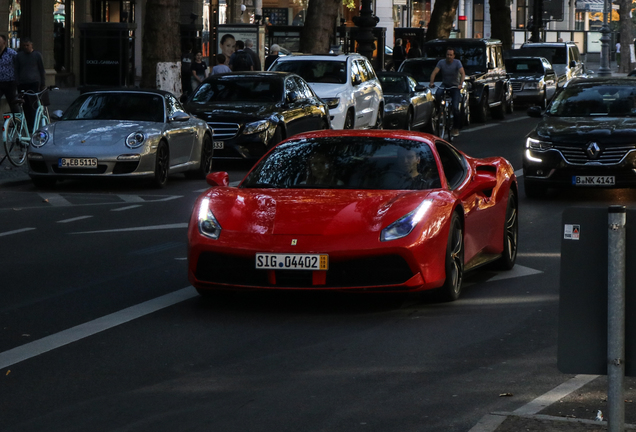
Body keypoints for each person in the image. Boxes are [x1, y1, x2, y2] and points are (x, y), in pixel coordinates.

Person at [429, 47, 465, 137]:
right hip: (445, 85)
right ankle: (438, 112)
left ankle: (456, 128)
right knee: (437, 94)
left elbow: (462, 73)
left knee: (455, 108)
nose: (448, 56)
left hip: (455, 86)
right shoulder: (441, 62)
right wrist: (431, 82)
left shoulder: (457, 63)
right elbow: (434, 72)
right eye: (447, 55)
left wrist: (460, 84)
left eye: (450, 55)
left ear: (454, 56)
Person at [15, 38, 46, 131]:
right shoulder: (19, 56)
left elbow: (42, 70)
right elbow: (16, 69)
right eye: (24, 45)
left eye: (27, 45)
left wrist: (43, 83)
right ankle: (27, 124)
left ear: (31, 45)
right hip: (22, 83)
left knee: (33, 105)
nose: (26, 47)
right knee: (25, 105)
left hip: (34, 83)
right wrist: (17, 82)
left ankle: (33, 124)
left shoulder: (37, 55)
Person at [0, 35, 18, 114]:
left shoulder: (11, 53)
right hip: (0, 82)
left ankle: (17, 121)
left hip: (10, 82)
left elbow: (18, 64)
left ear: (4, 43)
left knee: (13, 103)